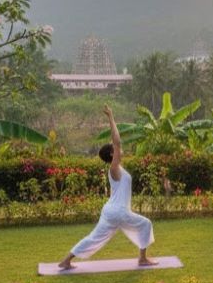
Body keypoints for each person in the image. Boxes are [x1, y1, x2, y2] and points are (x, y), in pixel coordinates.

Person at [57, 105, 156, 269]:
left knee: (93, 238)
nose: (120, 150)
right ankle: (142, 258)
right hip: (118, 212)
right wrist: (111, 117)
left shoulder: (116, 170)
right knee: (145, 224)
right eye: (116, 150)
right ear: (112, 154)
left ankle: (66, 261)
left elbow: (116, 145)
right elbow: (117, 141)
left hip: (110, 211)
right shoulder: (114, 168)